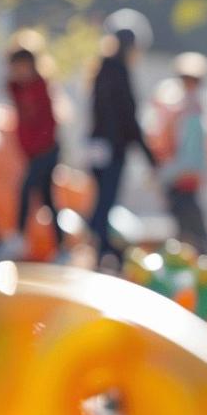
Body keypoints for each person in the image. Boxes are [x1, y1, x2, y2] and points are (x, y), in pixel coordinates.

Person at [88, 28, 157, 268]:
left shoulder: (102, 69)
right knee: (106, 201)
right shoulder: (117, 70)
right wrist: (149, 155)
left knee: (101, 200)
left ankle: (103, 247)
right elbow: (128, 116)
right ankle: (100, 249)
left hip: (98, 145)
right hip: (113, 147)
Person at [0, 48, 63, 259]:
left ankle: (18, 237)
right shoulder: (18, 89)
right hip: (33, 153)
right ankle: (61, 247)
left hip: (46, 151)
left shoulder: (39, 88)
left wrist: (40, 149)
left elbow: (47, 124)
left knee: (26, 189)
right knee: (47, 199)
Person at [160, 52, 207, 253]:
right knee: (189, 235)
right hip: (180, 181)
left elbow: (192, 154)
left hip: (186, 181)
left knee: (193, 235)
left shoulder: (192, 113)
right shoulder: (180, 111)